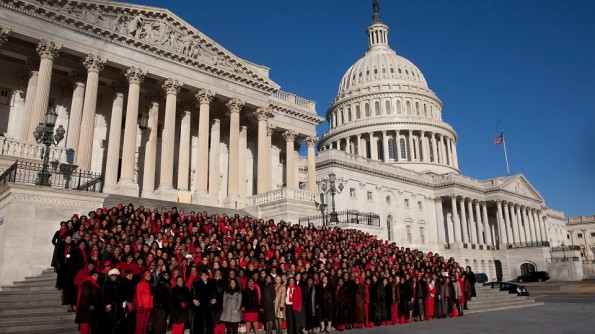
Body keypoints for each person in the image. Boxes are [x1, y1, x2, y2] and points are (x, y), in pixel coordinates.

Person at [102, 268, 125, 333]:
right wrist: (107, 304)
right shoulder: (107, 283)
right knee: (109, 322)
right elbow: (104, 295)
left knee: (116, 321)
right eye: (112, 275)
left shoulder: (117, 283)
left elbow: (120, 294)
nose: (114, 276)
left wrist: (122, 301)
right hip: (110, 306)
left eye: (115, 275)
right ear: (110, 276)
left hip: (117, 305)